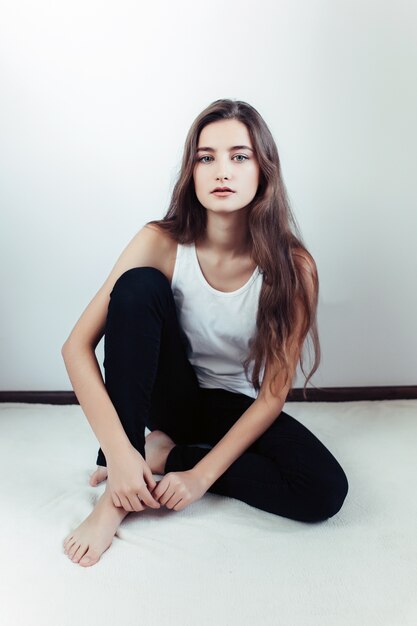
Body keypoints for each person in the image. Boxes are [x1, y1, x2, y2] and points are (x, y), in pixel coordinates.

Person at [61, 98, 349, 568]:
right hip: (166, 394)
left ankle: (166, 453)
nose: (222, 171)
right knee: (137, 286)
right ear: (191, 172)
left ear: (264, 171)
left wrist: (197, 474)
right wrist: (118, 456)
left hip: (229, 405)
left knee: (324, 491)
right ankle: (120, 493)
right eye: (206, 157)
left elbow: (271, 396)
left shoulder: (294, 267)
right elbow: (75, 347)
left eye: (239, 156)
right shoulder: (160, 241)